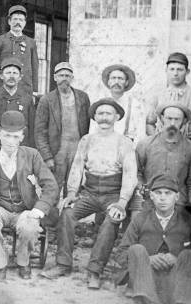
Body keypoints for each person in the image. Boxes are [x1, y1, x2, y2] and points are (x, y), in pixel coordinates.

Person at [41, 98, 138, 289]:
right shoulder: (87, 140)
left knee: (112, 220)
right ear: (94, 117)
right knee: (67, 213)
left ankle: (95, 270)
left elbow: (130, 174)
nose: (104, 117)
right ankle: (63, 264)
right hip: (90, 192)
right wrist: (71, 193)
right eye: (100, 113)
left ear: (117, 117)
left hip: (113, 193)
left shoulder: (124, 142)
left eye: (108, 113)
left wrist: (122, 202)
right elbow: (77, 166)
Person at [0, 111, 59, 281]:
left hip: (25, 209)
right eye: (7, 136)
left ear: (22, 137)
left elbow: (51, 186)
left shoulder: (32, 155)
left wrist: (39, 209)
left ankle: (23, 261)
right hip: (0, 208)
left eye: (15, 136)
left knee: (31, 225)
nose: (11, 141)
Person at [115, 175, 191, 304]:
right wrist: (147, 260)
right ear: (151, 196)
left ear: (177, 197)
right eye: (158, 193)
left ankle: (181, 301)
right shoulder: (140, 219)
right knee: (136, 249)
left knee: (189, 254)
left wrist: (177, 259)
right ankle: (146, 299)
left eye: (168, 193)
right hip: (146, 280)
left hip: (176, 281)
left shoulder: (188, 221)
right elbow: (121, 253)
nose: (162, 198)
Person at [35, 62, 90, 194]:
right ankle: (52, 215)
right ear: (55, 77)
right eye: (61, 75)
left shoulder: (82, 98)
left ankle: (68, 214)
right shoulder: (47, 100)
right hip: (57, 152)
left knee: (73, 190)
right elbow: (39, 132)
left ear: (72, 78)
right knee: (52, 190)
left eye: (67, 75)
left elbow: (89, 126)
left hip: (77, 151)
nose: (64, 78)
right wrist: (47, 157)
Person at [135, 102, 191, 212]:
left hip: (179, 203)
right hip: (150, 200)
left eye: (177, 119)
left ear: (184, 121)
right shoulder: (145, 144)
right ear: (162, 118)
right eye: (169, 118)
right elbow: (136, 172)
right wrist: (141, 186)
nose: (172, 123)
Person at [0, 57, 35, 153]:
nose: (11, 76)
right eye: (8, 73)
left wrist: (32, 151)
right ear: (1, 76)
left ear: (20, 77)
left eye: (15, 73)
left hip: (20, 148)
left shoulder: (27, 99)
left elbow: (32, 128)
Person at [0, 5, 39, 94]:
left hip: (24, 88)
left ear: (25, 23)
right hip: (3, 87)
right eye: (15, 19)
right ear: (9, 21)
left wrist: (34, 90)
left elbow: (35, 67)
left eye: (21, 20)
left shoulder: (31, 43)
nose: (18, 22)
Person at [91, 64, 145, 144]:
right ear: (108, 82)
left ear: (126, 82)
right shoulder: (99, 105)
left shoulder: (136, 106)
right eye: (113, 78)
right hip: (103, 148)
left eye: (120, 79)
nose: (116, 82)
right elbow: (92, 132)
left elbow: (140, 135)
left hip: (126, 150)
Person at [146, 52, 191, 140]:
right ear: (166, 70)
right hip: (161, 143)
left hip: (187, 145)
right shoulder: (158, 93)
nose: (175, 73)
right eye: (172, 69)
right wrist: (156, 141)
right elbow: (150, 122)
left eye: (180, 69)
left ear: (187, 72)